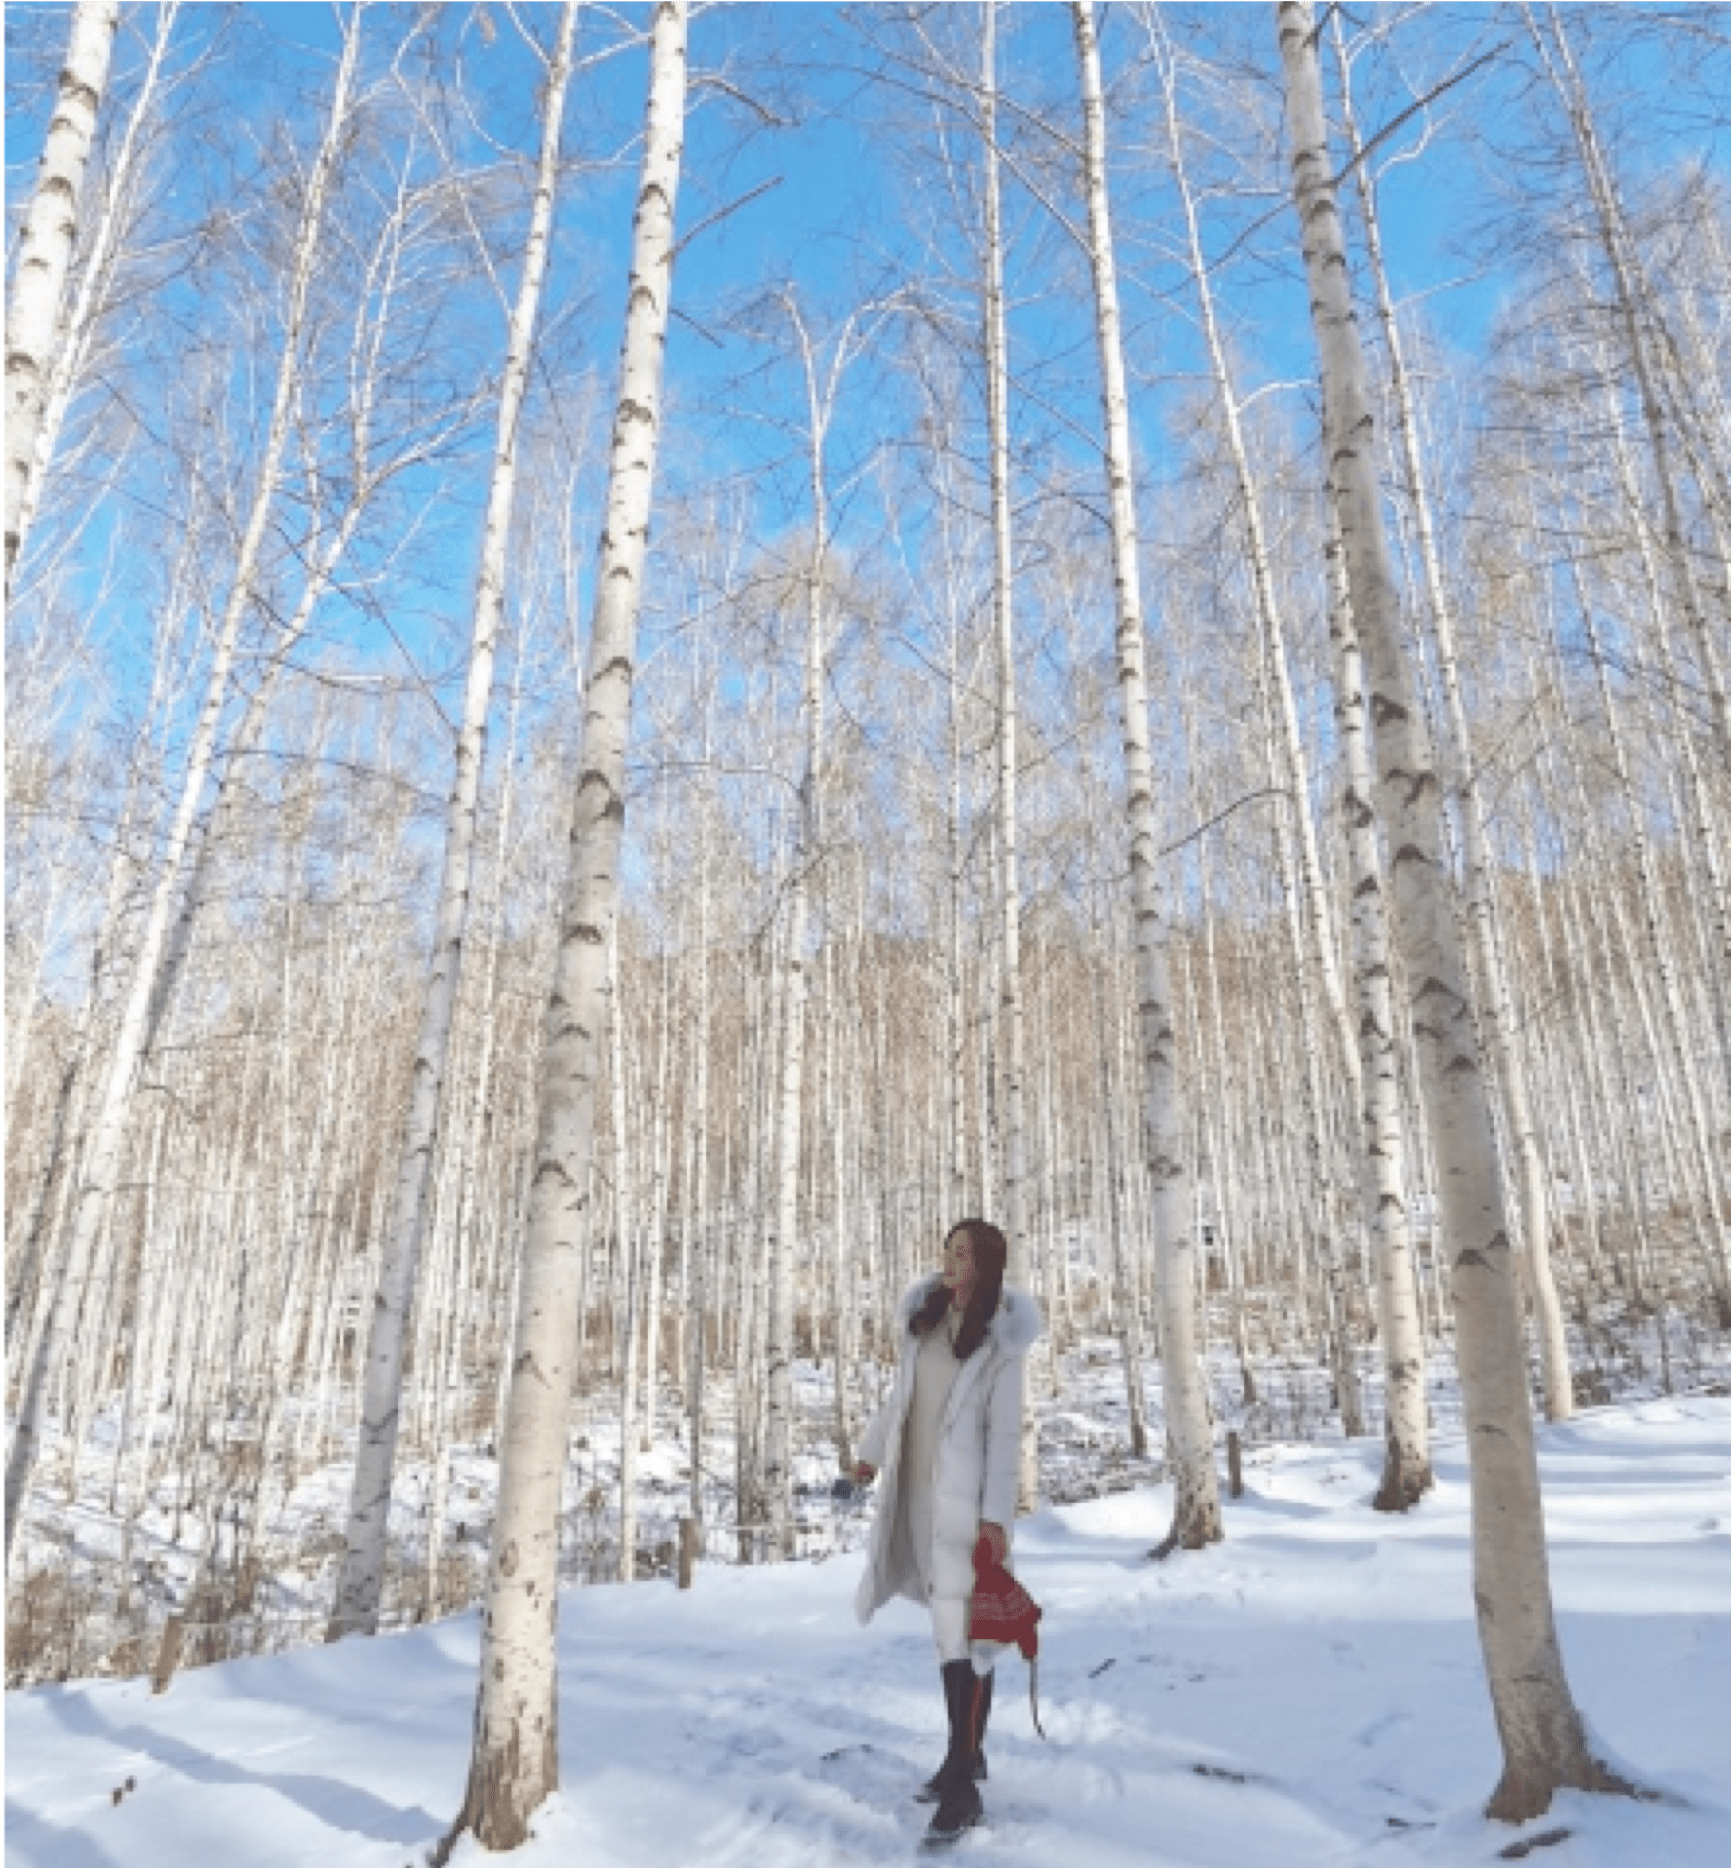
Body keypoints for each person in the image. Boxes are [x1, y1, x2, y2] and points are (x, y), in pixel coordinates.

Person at [849, 1218, 1043, 1847]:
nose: (951, 1260)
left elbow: (1006, 1442)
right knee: (949, 1632)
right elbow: (898, 1401)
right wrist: (871, 1454)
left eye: (964, 1253)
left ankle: (962, 1786)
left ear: (986, 1264)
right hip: (920, 1500)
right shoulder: (926, 1322)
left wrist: (995, 1520)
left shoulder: (1000, 1345)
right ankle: (966, 1757)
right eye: (948, 1250)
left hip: (966, 1511)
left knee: (965, 1637)